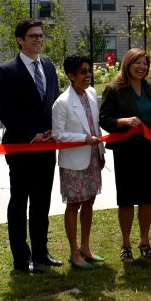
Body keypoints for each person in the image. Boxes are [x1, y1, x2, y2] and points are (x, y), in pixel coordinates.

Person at [0, 19, 62, 273]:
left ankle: (41, 253)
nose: (38, 40)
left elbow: (54, 103)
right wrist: (32, 135)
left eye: (41, 35)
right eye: (33, 36)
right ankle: (21, 258)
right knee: (20, 201)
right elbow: (6, 111)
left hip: (47, 147)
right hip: (22, 148)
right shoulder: (7, 70)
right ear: (20, 40)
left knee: (42, 202)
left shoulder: (47, 65)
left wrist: (54, 131)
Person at [99, 48, 151, 263]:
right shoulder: (114, 89)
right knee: (126, 199)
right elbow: (104, 119)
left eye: (145, 63)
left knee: (147, 198)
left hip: (148, 151)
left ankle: (145, 242)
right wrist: (123, 121)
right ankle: (126, 245)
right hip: (126, 152)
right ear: (127, 64)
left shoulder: (150, 87)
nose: (141, 67)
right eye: (137, 63)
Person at [51, 54, 105, 270]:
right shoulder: (62, 102)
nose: (88, 75)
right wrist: (83, 139)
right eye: (83, 72)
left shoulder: (91, 94)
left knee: (90, 201)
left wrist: (100, 150)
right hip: (74, 160)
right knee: (74, 205)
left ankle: (85, 247)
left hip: (92, 158)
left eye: (89, 71)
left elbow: (95, 125)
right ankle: (74, 252)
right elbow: (58, 135)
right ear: (71, 75)